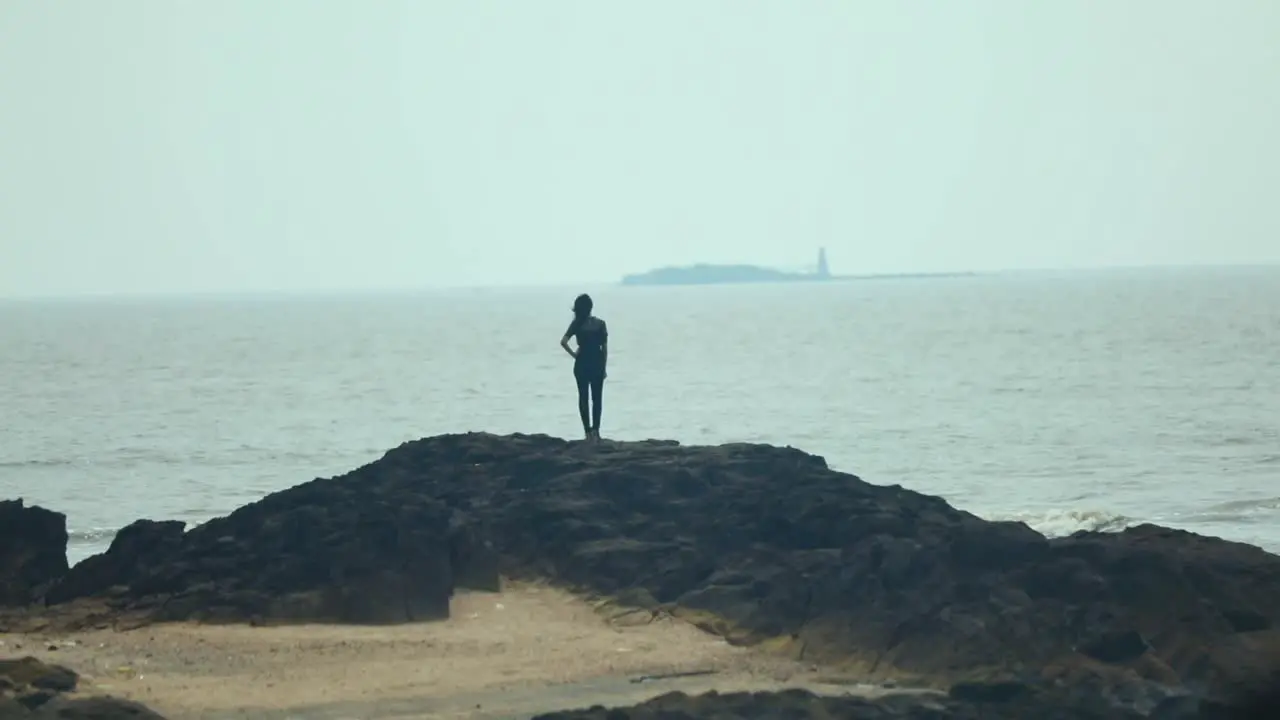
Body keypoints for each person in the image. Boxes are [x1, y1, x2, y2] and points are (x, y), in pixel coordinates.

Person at [559, 293, 608, 441]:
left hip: (581, 364)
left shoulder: (577, 324)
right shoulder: (600, 324)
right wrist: (604, 368)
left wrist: (575, 355)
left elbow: (563, 342)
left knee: (583, 397)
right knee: (597, 398)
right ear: (591, 307)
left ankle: (587, 432)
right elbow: (604, 349)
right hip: (597, 363)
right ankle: (596, 432)